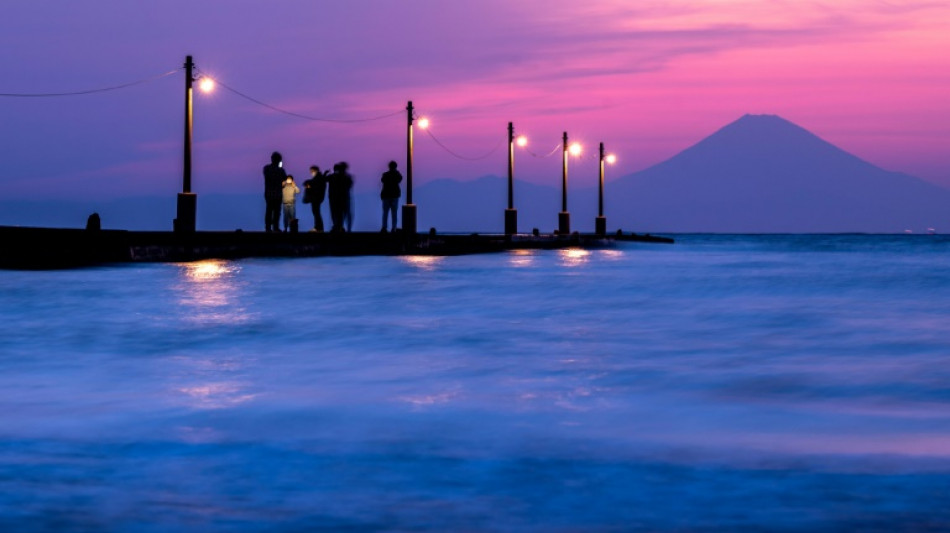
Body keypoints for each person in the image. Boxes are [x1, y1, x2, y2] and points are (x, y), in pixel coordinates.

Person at [262, 151, 287, 232]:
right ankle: (275, 227)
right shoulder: (281, 170)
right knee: (276, 212)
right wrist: (280, 167)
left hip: (268, 193)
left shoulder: (266, 168)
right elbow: (285, 179)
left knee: (269, 211)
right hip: (278, 194)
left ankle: (268, 227)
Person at [328, 162, 354, 232]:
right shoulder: (346, 177)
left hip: (337, 198)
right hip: (343, 197)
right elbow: (349, 185)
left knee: (338, 213)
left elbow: (325, 179)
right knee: (342, 214)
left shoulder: (335, 176)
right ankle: (341, 227)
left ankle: (338, 227)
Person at [303, 165, 329, 232]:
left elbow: (315, 185)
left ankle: (318, 228)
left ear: (316, 171)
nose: (311, 173)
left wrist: (308, 186)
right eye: (311, 171)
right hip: (316, 197)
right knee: (316, 212)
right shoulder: (318, 178)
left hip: (316, 197)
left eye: (312, 171)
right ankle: (318, 227)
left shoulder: (318, 178)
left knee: (316, 212)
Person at [379, 160, 402, 232]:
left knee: (385, 212)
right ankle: (393, 228)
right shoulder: (397, 175)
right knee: (394, 213)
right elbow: (399, 179)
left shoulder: (385, 175)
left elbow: (382, 181)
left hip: (386, 196)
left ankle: (384, 227)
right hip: (394, 196)